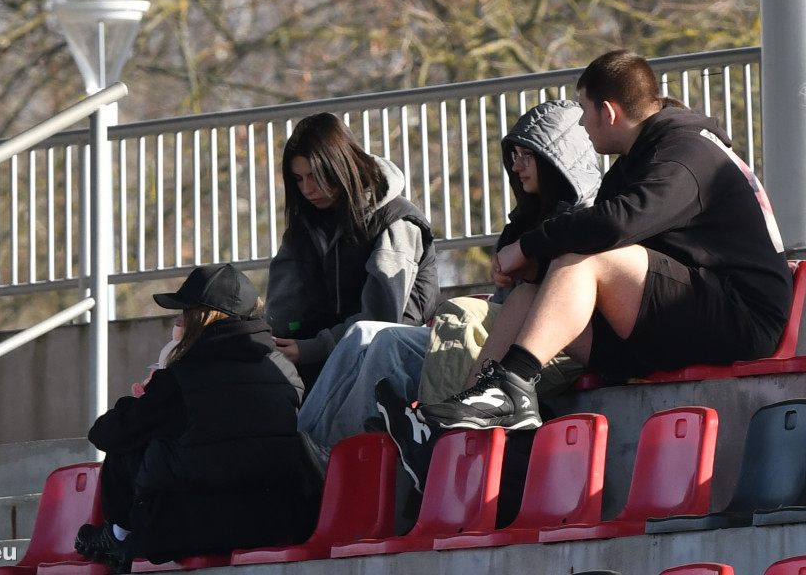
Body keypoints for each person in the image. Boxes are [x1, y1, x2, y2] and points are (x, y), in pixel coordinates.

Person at [420, 49, 792, 432]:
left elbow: (616, 226)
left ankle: (513, 387)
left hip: (741, 320)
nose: (581, 122)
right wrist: (537, 266)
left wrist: (529, 246)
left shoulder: (686, 153)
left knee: (592, 257)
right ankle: (470, 413)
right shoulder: (636, 161)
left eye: (584, 109)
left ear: (609, 112)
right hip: (676, 318)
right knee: (528, 297)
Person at [296, 99, 601, 485]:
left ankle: (378, 454)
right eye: (514, 156)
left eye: (527, 156)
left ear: (558, 160)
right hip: (499, 333)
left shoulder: (588, 220)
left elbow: (562, 297)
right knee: (369, 337)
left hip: (538, 346)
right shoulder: (524, 221)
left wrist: (530, 262)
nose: (515, 166)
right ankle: (308, 448)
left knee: (438, 319)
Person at [74, 263, 313, 573]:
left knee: (133, 445)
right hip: (279, 522)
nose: (181, 319)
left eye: (185, 311)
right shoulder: (285, 370)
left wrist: (144, 397)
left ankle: (119, 536)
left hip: (194, 528)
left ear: (201, 317)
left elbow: (106, 433)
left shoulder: (184, 375)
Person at [265, 112, 440, 392]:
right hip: (326, 359)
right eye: (298, 179)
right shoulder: (307, 227)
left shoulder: (396, 222)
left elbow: (381, 323)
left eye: (316, 176)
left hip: (389, 365)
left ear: (342, 166)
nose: (307, 189)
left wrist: (311, 348)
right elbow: (282, 311)